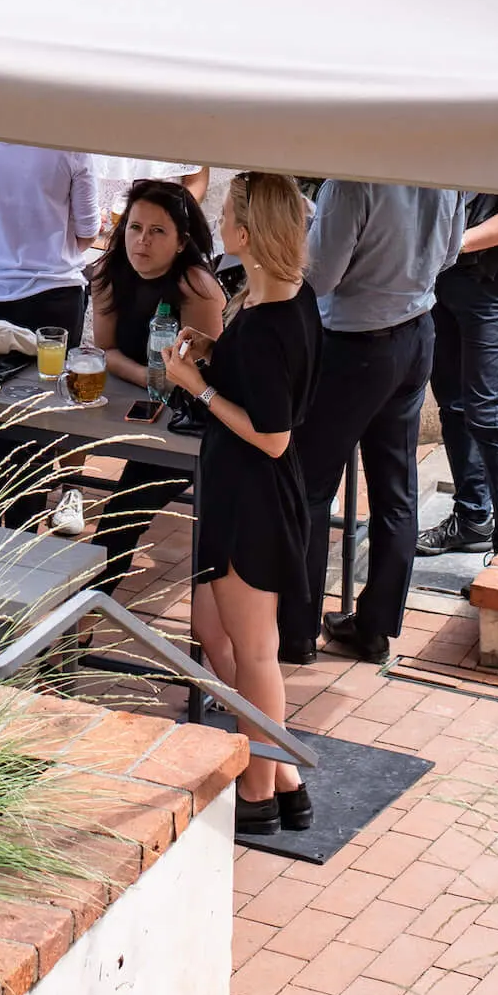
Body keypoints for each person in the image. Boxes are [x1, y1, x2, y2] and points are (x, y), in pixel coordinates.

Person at [164, 172, 319, 833]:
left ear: (246, 234)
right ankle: (284, 774)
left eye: (225, 214)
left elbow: (274, 435)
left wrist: (194, 386)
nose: (217, 220)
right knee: (211, 625)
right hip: (244, 497)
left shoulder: (266, 326)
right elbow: (260, 382)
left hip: (254, 501)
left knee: (255, 652)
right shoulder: (281, 303)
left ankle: (259, 791)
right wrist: (214, 356)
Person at [283, 181, 464, 665]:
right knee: (396, 489)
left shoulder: (351, 181)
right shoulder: (445, 169)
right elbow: (450, 254)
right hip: (415, 331)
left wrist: (301, 231)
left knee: (310, 487)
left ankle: (296, 633)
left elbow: (320, 278)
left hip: (354, 344)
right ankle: (375, 628)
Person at [0, 135, 100, 530]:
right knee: (39, 417)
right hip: (52, 295)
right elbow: (88, 230)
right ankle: (27, 522)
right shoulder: (70, 140)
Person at [87, 180, 226, 592]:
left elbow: (207, 375)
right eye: (134, 227)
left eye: (157, 231)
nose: (141, 241)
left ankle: (84, 620)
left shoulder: (197, 287)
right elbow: (106, 350)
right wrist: (149, 376)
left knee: (123, 511)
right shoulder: (108, 273)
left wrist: (158, 379)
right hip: (135, 406)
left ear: (182, 241)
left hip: (188, 422)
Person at [419, 194, 498, 563]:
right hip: (446, 277)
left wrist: (449, 243)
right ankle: (473, 518)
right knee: (453, 404)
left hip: (494, 281)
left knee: (488, 414)